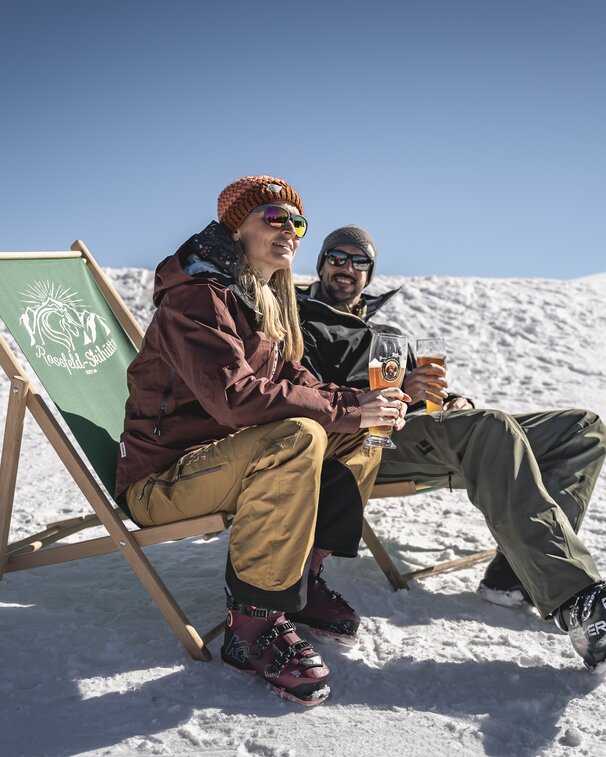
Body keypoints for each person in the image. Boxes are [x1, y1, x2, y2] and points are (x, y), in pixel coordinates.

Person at [114, 179, 408, 705]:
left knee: (362, 436)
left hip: (220, 465)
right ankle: (254, 626)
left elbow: (298, 382)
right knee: (298, 436)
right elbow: (235, 398)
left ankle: (301, 577)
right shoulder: (198, 296)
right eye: (275, 217)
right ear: (236, 226)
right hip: (163, 482)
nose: (289, 231)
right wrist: (344, 408)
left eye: (297, 223)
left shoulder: (262, 298)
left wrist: (363, 407)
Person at [296, 224, 606, 673]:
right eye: (337, 258)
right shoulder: (301, 319)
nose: (347, 268)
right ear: (322, 263)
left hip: (411, 431)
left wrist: (452, 400)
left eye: (359, 261)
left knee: (582, 428)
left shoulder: (385, 331)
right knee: (488, 428)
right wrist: (400, 387)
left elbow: (418, 392)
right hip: (356, 443)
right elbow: (305, 395)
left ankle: (515, 578)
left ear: (370, 273)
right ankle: (577, 602)